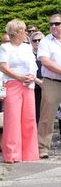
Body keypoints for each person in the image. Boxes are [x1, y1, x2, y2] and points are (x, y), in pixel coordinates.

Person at [0, 19, 39, 163]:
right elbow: (3, 67)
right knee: (13, 119)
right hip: (13, 84)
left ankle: (29, 153)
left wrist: (31, 76)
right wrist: (19, 77)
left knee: (29, 118)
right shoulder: (5, 48)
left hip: (28, 84)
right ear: (16, 32)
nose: (26, 33)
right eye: (24, 30)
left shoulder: (27, 48)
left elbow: (34, 65)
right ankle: (12, 154)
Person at [37, 14, 61, 159]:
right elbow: (45, 61)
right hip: (52, 81)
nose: (53, 26)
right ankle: (42, 147)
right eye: (51, 24)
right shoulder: (45, 41)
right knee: (47, 116)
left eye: (57, 23)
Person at [30, 31, 44, 125]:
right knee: (36, 111)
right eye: (35, 40)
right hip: (35, 86)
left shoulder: (48, 54)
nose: (37, 42)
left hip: (49, 83)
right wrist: (39, 82)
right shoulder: (29, 55)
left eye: (40, 40)